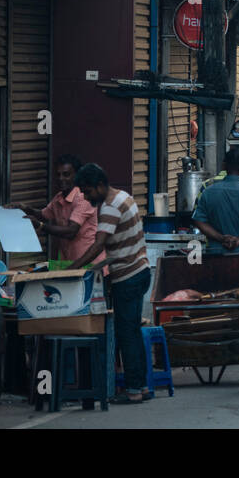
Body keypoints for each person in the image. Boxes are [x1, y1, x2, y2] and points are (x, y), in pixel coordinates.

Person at [68, 164, 152, 405]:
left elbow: (97, 246)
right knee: (132, 332)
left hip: (128, 276)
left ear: (100, 186)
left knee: (127, 334)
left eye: (87, 191)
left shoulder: (110, 207)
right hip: (139, 270)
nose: (85, 197)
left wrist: (72, 269)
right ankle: (142, 386)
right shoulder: (123, 196)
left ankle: (134, 389)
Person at [17, 154, 101, 266]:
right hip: (70, 263)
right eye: (58, 175)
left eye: (66, 175)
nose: (61, 179)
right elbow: (43, 215)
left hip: (89, 265)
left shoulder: (83, 197)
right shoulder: (59, 198)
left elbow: (71, 231)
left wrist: (40, 226)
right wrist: (26, 209)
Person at [193, 146, 239, 256]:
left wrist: (221, 238)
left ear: (224, 166)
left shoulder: (208, 191)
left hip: (215, 255)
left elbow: (198, 221)